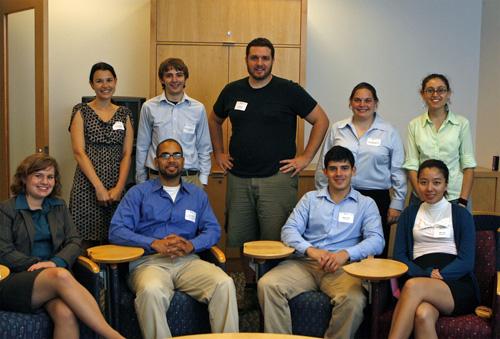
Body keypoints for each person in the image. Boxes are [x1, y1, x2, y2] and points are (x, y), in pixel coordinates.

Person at [109, 138, 238, 339]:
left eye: (177, 155)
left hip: (188, 262)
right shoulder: (138, 193)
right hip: (149, 263)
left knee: (224, 284)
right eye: (165, 155)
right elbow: (116, 230)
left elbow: (213, 230)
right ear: (156, 161)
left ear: (183, 160)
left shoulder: (197, 195)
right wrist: (153, 243)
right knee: (151, 291)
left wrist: (191, 245)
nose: (172, 160)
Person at [208, 36, 329, 251]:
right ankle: (248, 285)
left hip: (277, 179)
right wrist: (219, 153)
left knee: (275, 242)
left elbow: (321, 120)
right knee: (241, 241)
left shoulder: (289, 90)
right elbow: (214, 120)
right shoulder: (232, 90)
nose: (259, 63)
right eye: (254, 58)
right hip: (238, 179)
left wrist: (305, 158)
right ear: (246, 60)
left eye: (265, 58)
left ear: (273, 60)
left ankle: (269, 284)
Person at [258, 145, 384, 339]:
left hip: (344, 268)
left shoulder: (366, 204)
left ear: (353, 171)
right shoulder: (310, 199)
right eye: (333, 168)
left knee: (354, 300)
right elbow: (289, 230)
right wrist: (311, 251)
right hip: (306, 264)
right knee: (268, 285)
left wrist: (346, 254)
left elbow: (376, 240)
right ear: (325, 172)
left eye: (344, 168)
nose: (339, 174)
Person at [0, 153, 123, 339]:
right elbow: (4, 252)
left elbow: (74, 241)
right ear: (24, 178)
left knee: (66, 314)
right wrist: (40, 265)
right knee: (60, 275)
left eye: (50, 177)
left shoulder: (59, 206)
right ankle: (113, 336)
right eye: (38, 175)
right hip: (16, 279)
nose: (45, 181)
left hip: (53, 278)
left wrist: (55, 262)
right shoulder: (6, 209)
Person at [389, 159, 479, 339]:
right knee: (423, 315)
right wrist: (426, 274)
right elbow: (399, 256)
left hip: (455, 283)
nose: (429, 188)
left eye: (436, 182)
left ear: (446, 185)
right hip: (420, 275)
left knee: (413, 287)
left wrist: (440, 275)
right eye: (424, 182)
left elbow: (467, 261)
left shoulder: (461, 214)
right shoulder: (409, 214)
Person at [315, 82, 406, 256]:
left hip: (377, 197)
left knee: (376, 248)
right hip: (341, 196)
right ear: (350, 103)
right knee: (343, 245)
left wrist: (397, 202)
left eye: (367, 100)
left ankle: (375, 283)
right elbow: (323, 165)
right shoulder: (338, 129)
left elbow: (398, 170)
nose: (362, 105)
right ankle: (346, 282)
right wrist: (321, 195)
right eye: (357, 100)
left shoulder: (389, 131)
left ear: (375, 103)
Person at [69, 62, 134, 248]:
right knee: (84, 241)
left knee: (115, 240)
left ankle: (113, 278)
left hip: (115, 186)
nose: (105, 85)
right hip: (87, 185)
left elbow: (127, 153)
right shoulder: (81, 111)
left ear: (116, 81)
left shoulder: (125, 114)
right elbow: (79, 152)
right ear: (91, 84)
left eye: (109, 80)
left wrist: (120, 187)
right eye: (99, 81)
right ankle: (86, 277)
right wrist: (98, 187)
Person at [135, 58, 212, 187]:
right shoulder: (149, 107)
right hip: (156, 178)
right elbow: (142, 146)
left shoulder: (198, 109)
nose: (175, 80)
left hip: (190, 179)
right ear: (162, 79)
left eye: (179, 75)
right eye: (169, 76)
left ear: (185, 78)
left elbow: (204, 147)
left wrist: (203, 180)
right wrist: (141, 180)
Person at [403, 73, 476, 208]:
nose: (435, 94)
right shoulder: (414, 125)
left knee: (459, 229)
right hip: (423, 195)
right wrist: (422, 195)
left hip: (455, 196)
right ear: (422, 94)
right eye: (430, 90)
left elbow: (468, 165)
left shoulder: (462, 123)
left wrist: (463, 201)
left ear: (448, 94)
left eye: (441, 90)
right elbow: (412, 165)